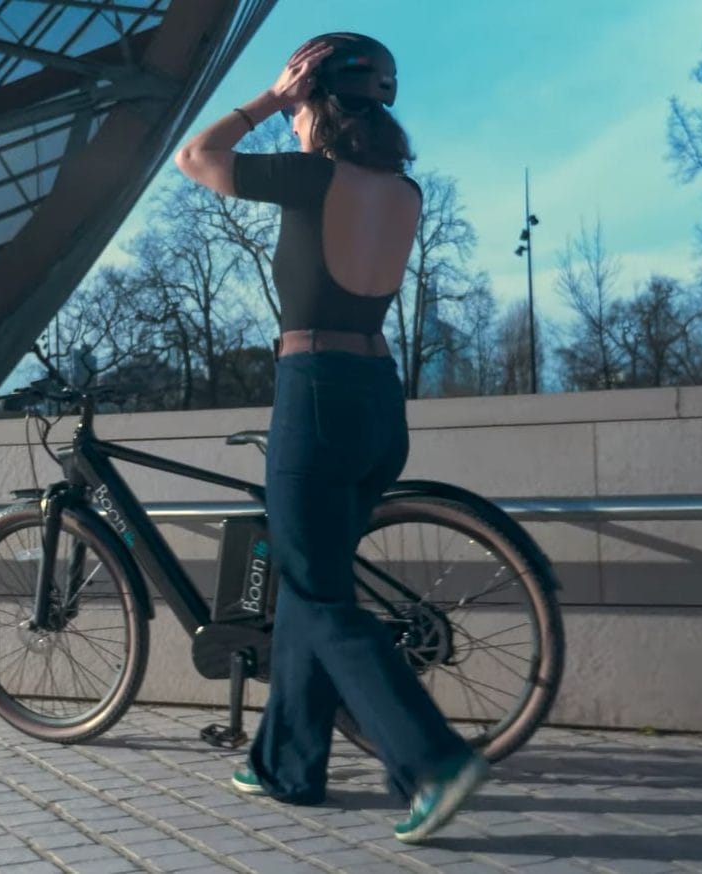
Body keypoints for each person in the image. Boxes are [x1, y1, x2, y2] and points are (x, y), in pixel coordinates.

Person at [173, 32, 487, 844]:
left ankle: (431, 760)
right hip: (381, 404)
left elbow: (195, 156)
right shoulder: (406, 192)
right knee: (317, 587)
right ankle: (286, 762)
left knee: (316, 594)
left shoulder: (311, 177)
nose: (288, 122)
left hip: (312, 395)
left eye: (298, 106)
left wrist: (270, 98)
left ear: (316, 100)